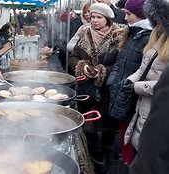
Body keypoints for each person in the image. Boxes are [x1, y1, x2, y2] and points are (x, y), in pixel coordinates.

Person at [68, 3, 125, 173]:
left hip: (108, 89)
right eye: (92, 16)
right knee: (88, 123)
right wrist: (81, 66)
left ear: (107, 19)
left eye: (99, 17)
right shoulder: (85, 33)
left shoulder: (119, 36)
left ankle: (107, 154)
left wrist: (101, 71)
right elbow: (73, 57)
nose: (94, 20)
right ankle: (91, 155)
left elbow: (120, 64)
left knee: (107, 123)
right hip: (86, 88)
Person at [105, 0, 152, 170]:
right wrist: (113, 83)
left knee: (132, 136)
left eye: (128, 14)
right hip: (123, 90)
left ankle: (129, 164)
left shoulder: (148, 37)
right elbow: (120, 61)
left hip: (135, 96)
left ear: (140, 15)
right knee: (124, 131)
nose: (125, 18)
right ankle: (125, 162)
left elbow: (145, 69)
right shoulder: (132, 32)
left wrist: (128, 86)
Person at [124, 0, 169, 166]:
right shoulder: (157, 38)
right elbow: (144, 69)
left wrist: (136, 87)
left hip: (157, 109)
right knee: (140, 149)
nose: (155, 22)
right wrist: (130, 80)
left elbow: (163, 85)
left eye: (158, 18)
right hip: (142, 107)